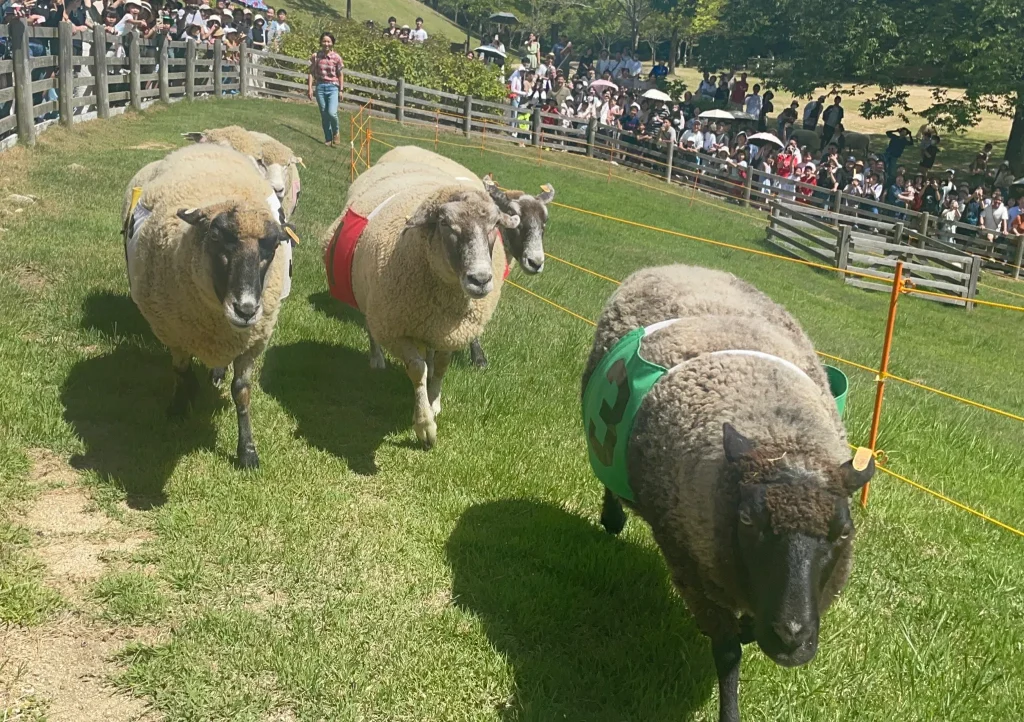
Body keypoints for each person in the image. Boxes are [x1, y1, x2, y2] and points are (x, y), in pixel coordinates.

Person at [307, 31, 344, 146]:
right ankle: (328, 138)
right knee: (324, 114)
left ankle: (336, 132)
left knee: (332, 113)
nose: (326, 43)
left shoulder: (337, 58)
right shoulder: (316, 56)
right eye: (324, 41)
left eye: (328, 41)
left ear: (332, 43)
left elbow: (340, 74)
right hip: (320, 87)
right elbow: (311, 73)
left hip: (333, 87)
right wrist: (310, 88)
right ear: (321, 42)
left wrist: (341, 90)